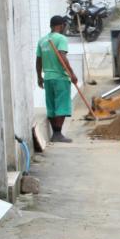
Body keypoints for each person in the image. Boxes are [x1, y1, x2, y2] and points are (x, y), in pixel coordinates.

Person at [35, 15, 78, 143]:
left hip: (48, 78)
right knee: (62, 105)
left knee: (52, 105)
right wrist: (72, 73)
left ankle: (55, 134)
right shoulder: (61, 39)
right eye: (64, 25)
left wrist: (39, 77)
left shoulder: (42, 41)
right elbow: (62, 57)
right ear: (60, 26)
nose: (65, 28)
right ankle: (58, 134)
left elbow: (38, 60)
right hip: (60, 78)